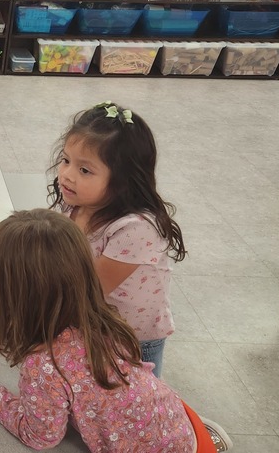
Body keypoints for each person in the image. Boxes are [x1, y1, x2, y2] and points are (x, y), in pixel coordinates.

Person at [0, 209, 231, 452]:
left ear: (14, 302)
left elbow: (40, 435)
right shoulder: (102, 318)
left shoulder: (44, 366)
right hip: (177, 423)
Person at [47, 101, 185, 378]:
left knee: (133, 410)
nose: (67, 175)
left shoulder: (136, 228)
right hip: (91, 325)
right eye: (65, 160)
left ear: (124, 179)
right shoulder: (76, 204)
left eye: (84, 170)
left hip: (133, 340)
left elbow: (90, 290)